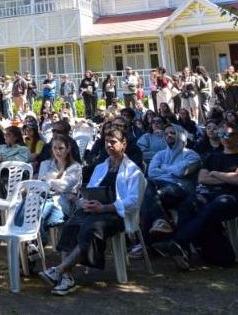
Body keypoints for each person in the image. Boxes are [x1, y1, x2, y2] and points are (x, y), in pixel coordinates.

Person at [39, 127, 142, 296]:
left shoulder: (133, 171)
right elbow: (92, 189)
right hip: (94, 209)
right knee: (70, 225)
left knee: (92, 229)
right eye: (106, 142)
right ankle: (67, 278)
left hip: (115, 213)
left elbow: (133, 201)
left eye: (113, 142)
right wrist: (84, 202)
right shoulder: (101, 167)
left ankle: (59, 270)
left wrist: (106, 207)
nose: (109, 145)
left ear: (124, 144)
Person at [153, 119, 238, 268]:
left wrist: (216, 173)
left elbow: (236, 179)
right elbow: (202, 178)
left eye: (229, 134)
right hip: (209, 194)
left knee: (212, 207)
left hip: (231, 198)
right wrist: (226, 177)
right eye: (222, 133)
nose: (225, 137)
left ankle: (178, 242)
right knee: (187, 204)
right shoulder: (213, 156)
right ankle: (182, 252)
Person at [138, 124, 201, 244]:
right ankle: (160, 225)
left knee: (147, 194)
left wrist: (164, 167)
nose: (169, 136)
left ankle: (146, 244)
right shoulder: (160, 154)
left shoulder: (191, 155)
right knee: (147, 191)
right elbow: (152, 172)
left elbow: (181, 172)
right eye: (166, 133)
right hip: (158, 189)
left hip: (180, 189)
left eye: (172, 133)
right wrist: (173, 169)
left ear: (181, 135)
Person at [37, 134, 82, 239]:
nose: (58, 151)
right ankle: (34, 243)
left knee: (39, 212)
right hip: (43, 198)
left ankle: (36, 242)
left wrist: (48, 181)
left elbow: (64, 186)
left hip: (62, 204)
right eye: (55, 148)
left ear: (68, 149)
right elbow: (40, 185)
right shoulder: (46, 164)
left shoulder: (75, 167)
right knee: (23, 206)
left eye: (61, 148)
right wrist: (53, 183)